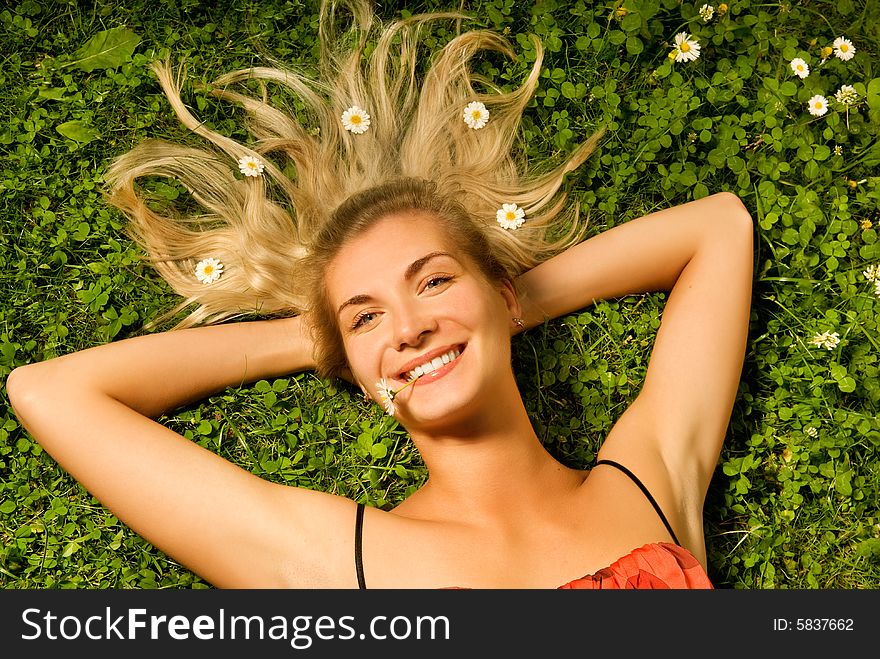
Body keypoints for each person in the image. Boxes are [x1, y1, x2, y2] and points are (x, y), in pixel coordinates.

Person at [6, 0, 753, 589]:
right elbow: (51, 390)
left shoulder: (647, 478)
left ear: (504, 295)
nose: (408, 325)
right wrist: (330, 345)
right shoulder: (339, 565)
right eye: (366, 315)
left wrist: (490, 312)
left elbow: (719, 230)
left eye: (432, 279)